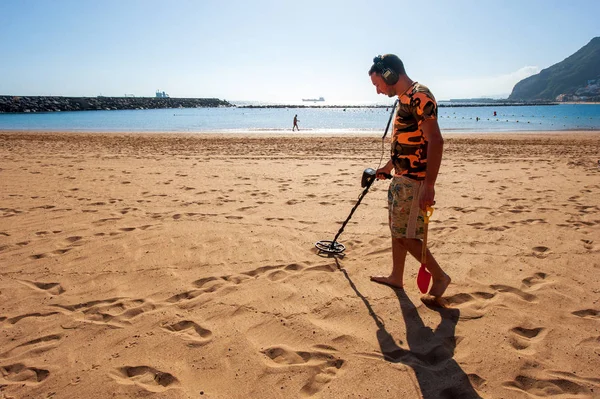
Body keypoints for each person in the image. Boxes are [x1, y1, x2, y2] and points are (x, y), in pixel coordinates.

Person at [368, 54, 451, 298]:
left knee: (407, 236)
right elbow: (408, 143)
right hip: (401, 178)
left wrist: (429, 185)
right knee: (398, 231)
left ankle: (440, 276)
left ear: (389, 75)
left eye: (377, 84)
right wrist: (388, 167)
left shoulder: (420, 96)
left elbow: (435, 140)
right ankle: (396, 276)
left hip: (415, 180)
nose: (378, 91)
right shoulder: (405, 99)